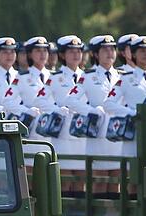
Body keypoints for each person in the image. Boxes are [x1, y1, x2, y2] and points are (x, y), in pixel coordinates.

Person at [105, 36, 146, 187]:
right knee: (134, 176)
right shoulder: (125, 79)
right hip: (134, 132)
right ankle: (133, 209)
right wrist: (131, 113)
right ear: (133, 54)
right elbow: (108, 104)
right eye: (141, 51)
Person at [67, 35, 120, 194]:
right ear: (96, 54)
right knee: (99, 182)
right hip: (98, 135)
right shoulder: (88, 76)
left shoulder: (121, 75)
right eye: (105, 49)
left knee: (117, 182)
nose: (110, 52)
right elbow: (71, 100)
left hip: (118, 135)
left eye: (112, 48)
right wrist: (92, 111)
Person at [37, 34, 88, 194]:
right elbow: (40, 100)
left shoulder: (88, 76)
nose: (75, 55)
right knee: (64, 182)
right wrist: (57, 110)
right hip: (63, 135)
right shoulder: (56, 78)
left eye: (78, 51)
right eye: (71, 51)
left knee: (81, 181)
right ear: (62, 55)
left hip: (83, 135)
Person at [8, 36, 52, 169]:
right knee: (32, 174)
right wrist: (26, 111)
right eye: (38, 51)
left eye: (45, 50)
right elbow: (7, 102)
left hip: (52, 132)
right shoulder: (21, 78)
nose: (42, 54)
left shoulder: (55, 76)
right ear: (30, 54)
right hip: (32, 132)